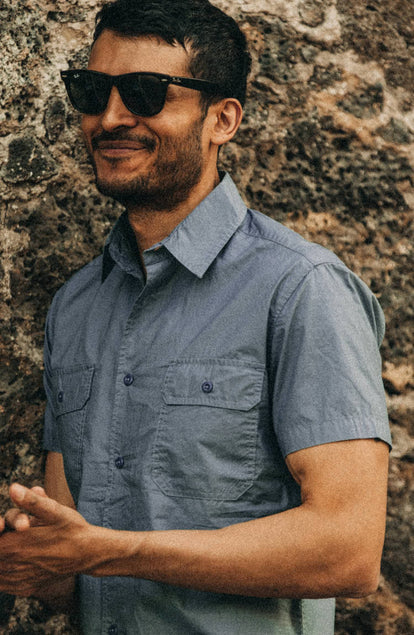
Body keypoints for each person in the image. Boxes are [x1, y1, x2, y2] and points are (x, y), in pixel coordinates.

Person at [0, 0, 391, 633]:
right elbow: (70, 561)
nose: (111, 117)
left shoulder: (300, 289)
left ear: (222, 120)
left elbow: (347, 551)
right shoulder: (75, 307)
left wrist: (113, 550)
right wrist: (34, 558)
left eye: (147, 93)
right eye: (92, 90)